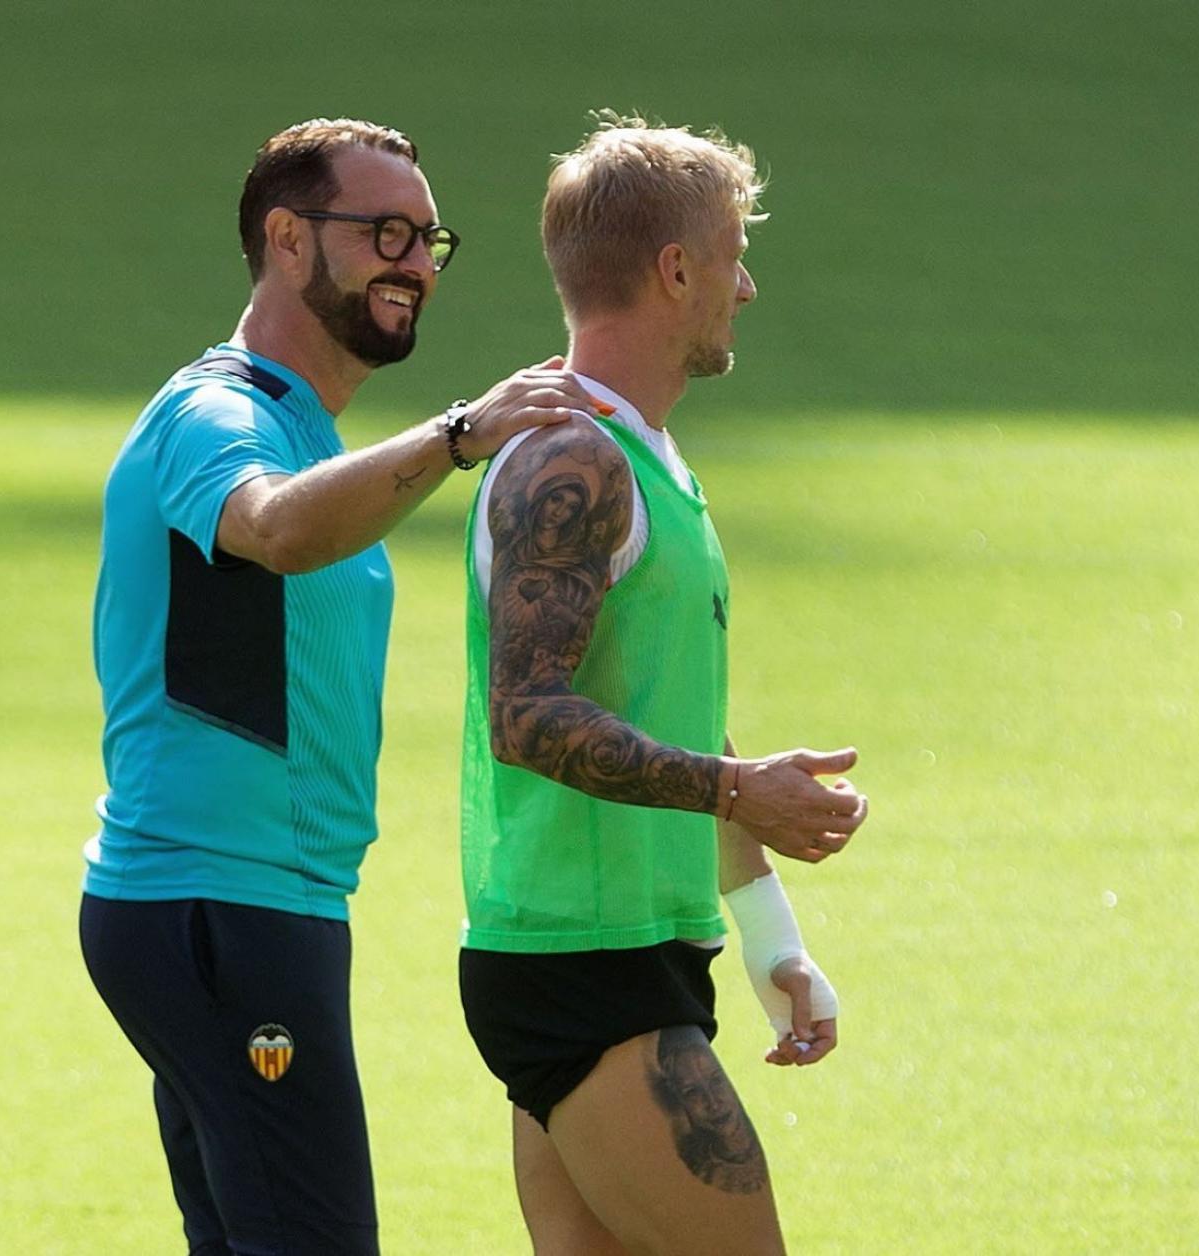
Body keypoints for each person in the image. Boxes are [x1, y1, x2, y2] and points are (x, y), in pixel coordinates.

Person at [79, 118, 599, 1256]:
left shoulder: (309, 433)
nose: (414, 262)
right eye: (385, 232)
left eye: (428, 240)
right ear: (286, 237)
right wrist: (461, 434)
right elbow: (270, 527)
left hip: (257, 904)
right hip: (218, 903)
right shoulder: (216, 414)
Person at [456, 113, 870, 1256]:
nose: (747, 286)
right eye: (733, 255)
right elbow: (527, 715)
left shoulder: (646, 461)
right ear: (675, 268)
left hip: (607, 952)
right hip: (587, 968)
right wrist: (742, 789)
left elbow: (667, 718)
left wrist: (768, 930)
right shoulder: (575, 460)